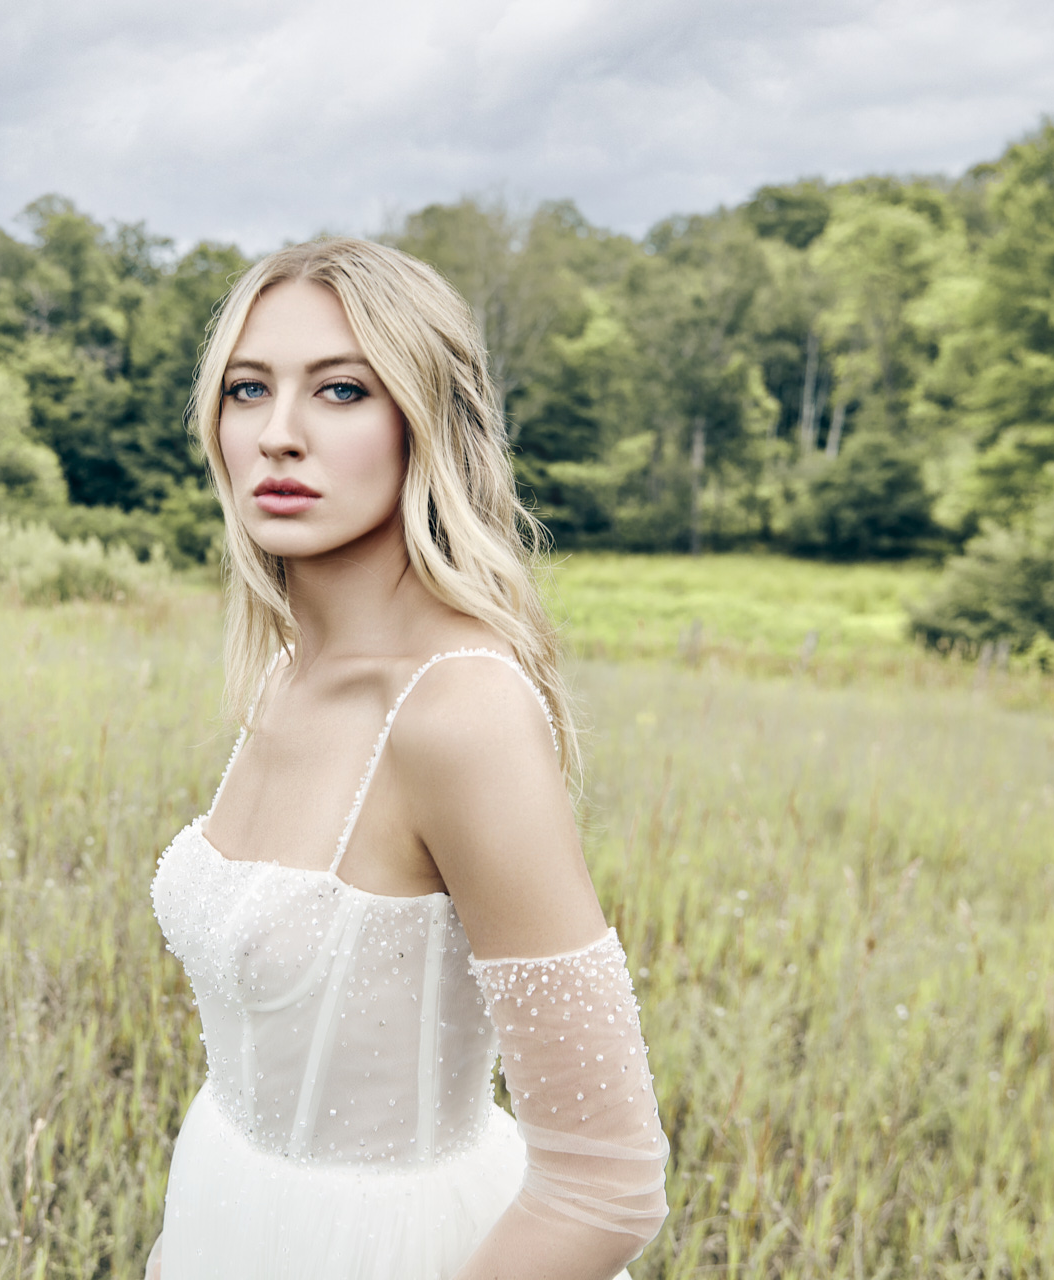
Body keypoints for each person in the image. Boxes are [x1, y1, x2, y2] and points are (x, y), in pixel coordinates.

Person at [147, 238, 669, 1280]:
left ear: (425, 421)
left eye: (341, 389)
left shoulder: (460, 712)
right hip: (226, 1215)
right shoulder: (287, 671)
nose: (278, 433)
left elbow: (606, 1181)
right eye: (248, 389)